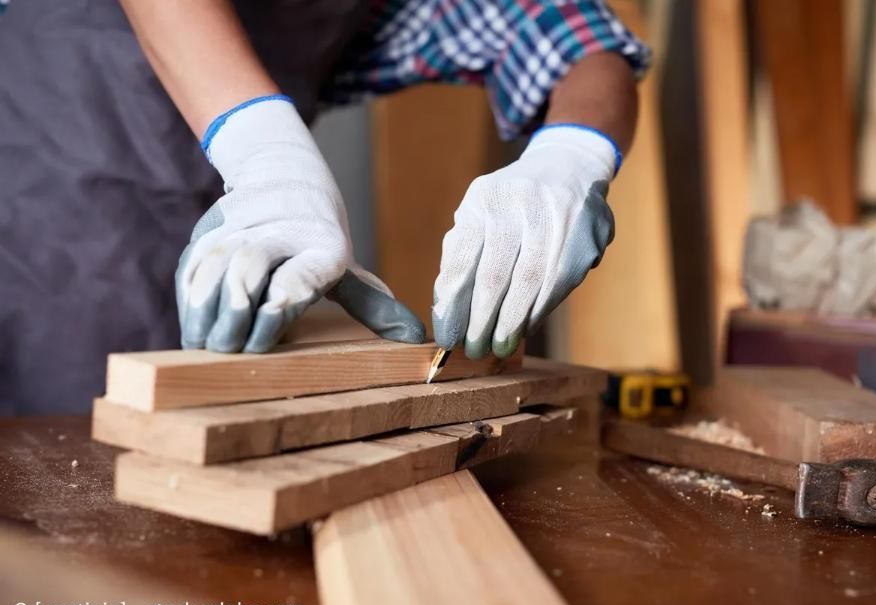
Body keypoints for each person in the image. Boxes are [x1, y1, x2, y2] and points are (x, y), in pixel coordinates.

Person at [0, 0, 649, 415]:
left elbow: (575, 37)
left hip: (236, 225)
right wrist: (268, 159)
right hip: (45, 214)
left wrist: (569, 159)